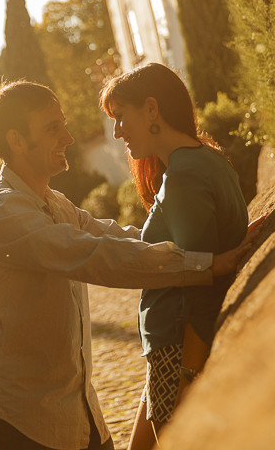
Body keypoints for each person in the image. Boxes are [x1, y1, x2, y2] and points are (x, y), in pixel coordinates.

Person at [0, 80, 259, 450]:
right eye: (53, 128)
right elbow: (95, 256)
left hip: (72, 414)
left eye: (63, 124)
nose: (68, 137)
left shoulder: (55, 204)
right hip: (11, 420)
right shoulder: (0, 213)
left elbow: (115, 238)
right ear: (16, 141)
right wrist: (202, 266)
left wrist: (216, 243)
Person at [99, 63, 252, 449]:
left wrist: (185, 375)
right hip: (166, 350)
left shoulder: (184, 175)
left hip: (176, 350)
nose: (117, 132)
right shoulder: (207, 158)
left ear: (152, 109)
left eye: (121, 118)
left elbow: (197, 286)